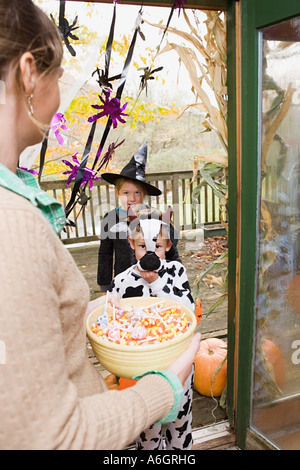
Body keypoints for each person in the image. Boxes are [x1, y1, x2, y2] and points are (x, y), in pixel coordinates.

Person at [0, 0, 202, 450]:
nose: (62, 96)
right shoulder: (12, 224)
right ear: (30, 72)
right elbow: (51, 435)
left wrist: (82, 313)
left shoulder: (159, 224)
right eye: (60, 79)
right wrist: (166, 386)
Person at [108, 208, 195, 450]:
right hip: (141, 366)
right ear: (131, 245)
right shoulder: (122, 280)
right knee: (148, 426)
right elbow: (114, 321)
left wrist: (157, 283)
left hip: (177, 361)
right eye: (142, 247)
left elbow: (186, 311)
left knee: (180, 420)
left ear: (167, 246)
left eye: (156, 246)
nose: (150, 253)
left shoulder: (176, 272)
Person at [97, 142, 181, 293]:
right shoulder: (110, 219)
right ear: (117, 193)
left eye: (137, 192)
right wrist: (105, 287)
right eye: (126, 193)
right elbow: (105, 254)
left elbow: (170, 245)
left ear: (144, 194)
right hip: (123, 281)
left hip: (152, 279)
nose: (132, 198)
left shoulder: (154, 216)